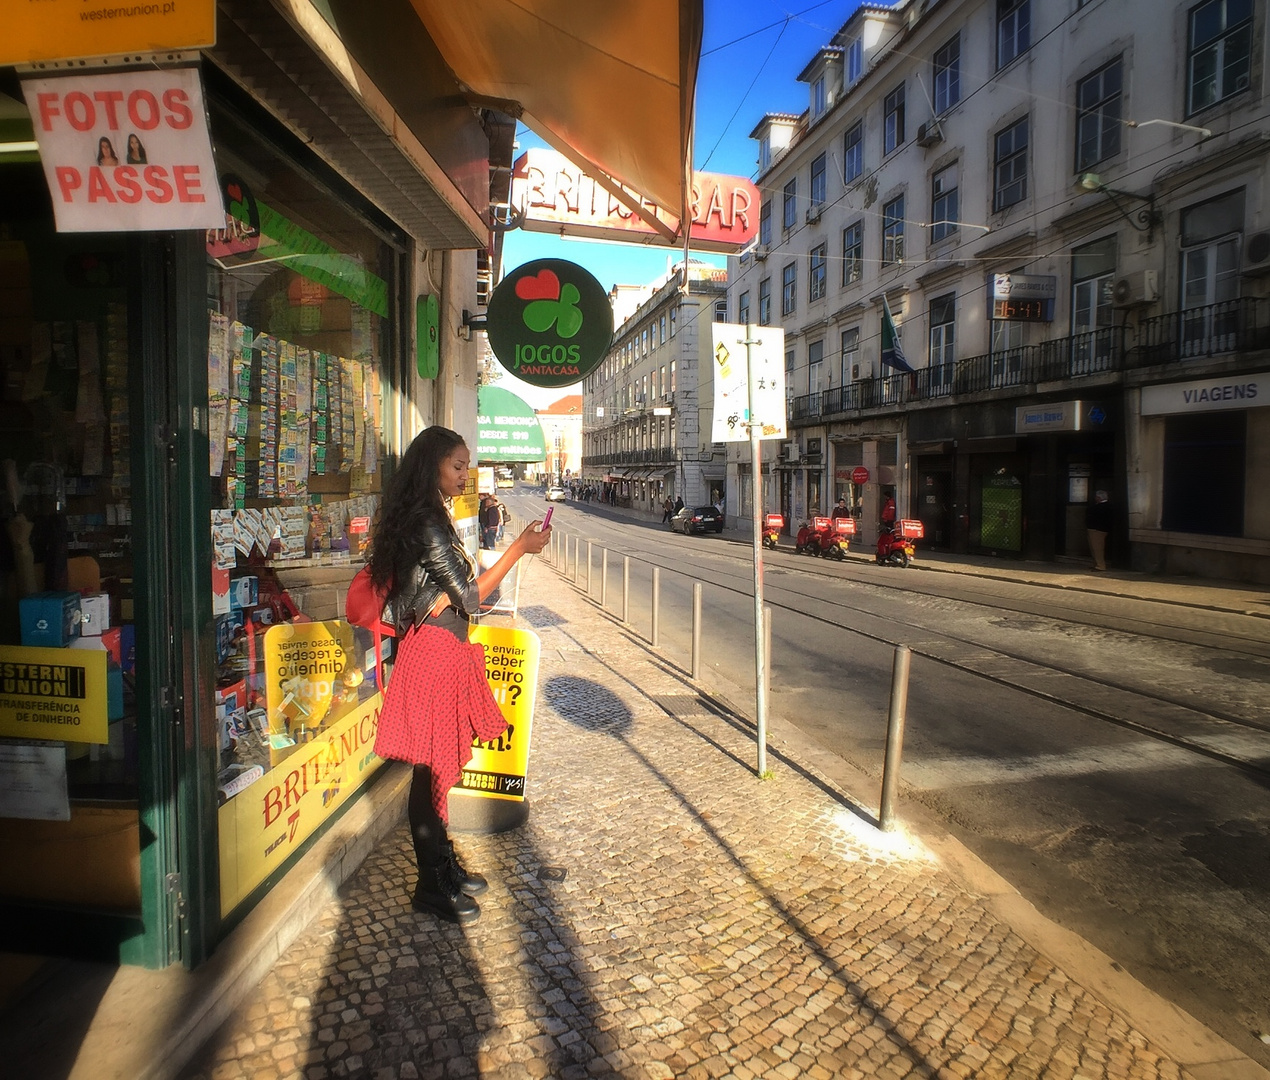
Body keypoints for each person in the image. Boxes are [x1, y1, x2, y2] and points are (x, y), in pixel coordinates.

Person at [368, 427, 550, 924]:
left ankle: (442, 862)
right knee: (428, 768)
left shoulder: (433, 514)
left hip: (447, 646)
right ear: (433, 467)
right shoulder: (426, 520)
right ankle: (431, 881)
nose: (464, 474)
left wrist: (458, 592)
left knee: (437, 764)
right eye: (456, 465)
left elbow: (460, 593)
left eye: (466, 465)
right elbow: (471, 596)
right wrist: (517, 550)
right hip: (431, 652)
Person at [1086, 489, 1111, 571]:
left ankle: (1100, 565)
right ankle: (1096, 564)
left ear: (1099, 497)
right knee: (1094, 548)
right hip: (1097, 529)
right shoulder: (1105, 506)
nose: (1095, 498)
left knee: (1097, 548)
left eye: (1096, 497)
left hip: (1098, 530)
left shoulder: (1102, 507)